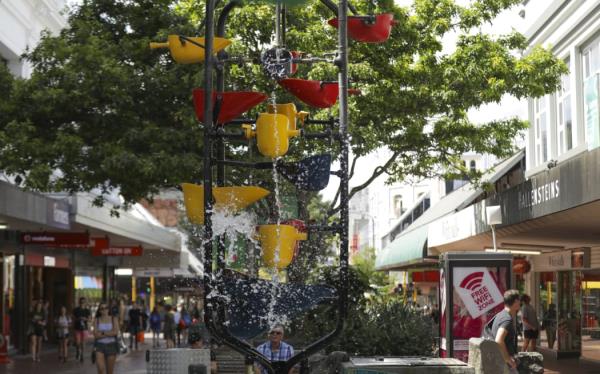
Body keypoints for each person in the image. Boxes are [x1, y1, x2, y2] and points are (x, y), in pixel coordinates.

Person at [492, 290, 520, 372]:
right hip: (505, 363)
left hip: (500, 360)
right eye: (519, 300)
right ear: (515, 301)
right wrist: (508, 359)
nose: (520, 303)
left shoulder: (500, 315)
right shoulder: (506, 319)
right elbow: (499, 340)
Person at [94, 302, 120, 374]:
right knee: (101, 369)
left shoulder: (113, 318)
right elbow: (96, 335)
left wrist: (102, 332)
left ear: (108, 309)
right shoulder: (97, 320)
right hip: (99, 346)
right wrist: (109, 333)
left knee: (110, 372)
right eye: (102, 308)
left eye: (106, 308)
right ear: (99, 310)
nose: (104, 310)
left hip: (111, 345)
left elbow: (115, 332)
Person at [74, 297, 91, 363]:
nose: (82, 303)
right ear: (79, 302)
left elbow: (90, 319)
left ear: (85, 302)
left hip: (84, 328)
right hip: (77, 328)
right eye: (81, 302)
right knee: (78, 342)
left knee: (83, 343)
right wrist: (78, 319)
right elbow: (73, 319)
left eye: (83, 302)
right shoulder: (76, 310)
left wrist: (85, 319)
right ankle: (78, 350)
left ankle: (82, 355)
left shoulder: (87, 310)